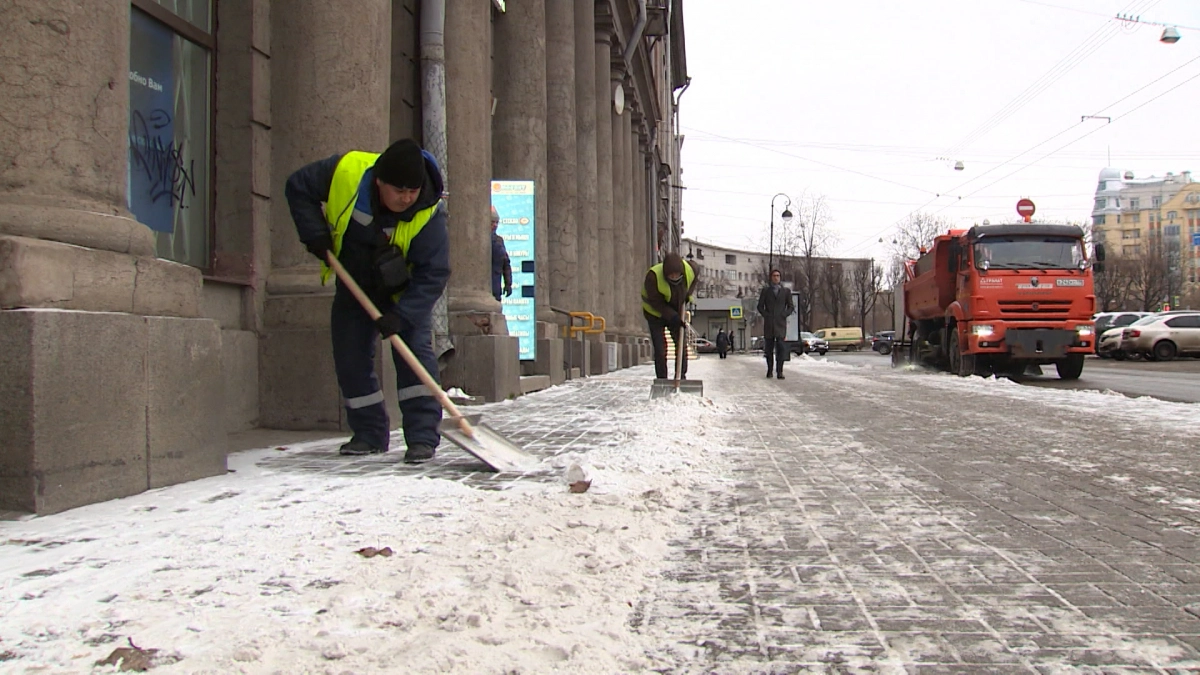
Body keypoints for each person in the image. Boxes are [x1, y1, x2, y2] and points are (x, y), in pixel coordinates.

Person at [285, 138, 450, 462]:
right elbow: (297, 187)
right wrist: (315, 235)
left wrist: (402, 316)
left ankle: (422, 438)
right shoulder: (345, 173)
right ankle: (368, 433)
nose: (406, 198)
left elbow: (434, 273)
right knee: (350, 354)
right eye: (398, 190)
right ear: (379, 181)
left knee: (415, 354)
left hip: (404, 292)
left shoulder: (430, 212)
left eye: (411, 191)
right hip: (355, 281)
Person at [641, 253, 696, 380]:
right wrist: (673, 317)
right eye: (671, 275)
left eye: (677, 275)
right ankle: (662, 379)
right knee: (660, 349)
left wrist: (688, 295)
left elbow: (694, 280)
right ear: (666, 273)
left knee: (681, 344)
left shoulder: (690, 270)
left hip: (675, 310)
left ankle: (681, 376)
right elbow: (656, 302)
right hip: (654, 313)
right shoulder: (653, 276)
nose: (675, 277)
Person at [756, 269, 795, 379]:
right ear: (771, 277)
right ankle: (769, 370)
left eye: (778, 275)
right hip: (769, 324)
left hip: (780, 324)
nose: (776, 277)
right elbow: (760, 306)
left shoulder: (786, 291)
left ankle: (780, 372)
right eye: (774, 276)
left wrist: (784, 314)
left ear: (780, 277)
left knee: (781, 349)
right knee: (768, 350)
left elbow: (791, 306)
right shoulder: (766, 291)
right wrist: (766, 315)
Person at [490, 205, 513, 301]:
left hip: (496, 287)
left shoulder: (499, 241)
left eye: (497, 222)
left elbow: (506, 263)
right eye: (492, 222)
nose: (495, 225)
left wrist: (508, 283)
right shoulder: (479, 240)